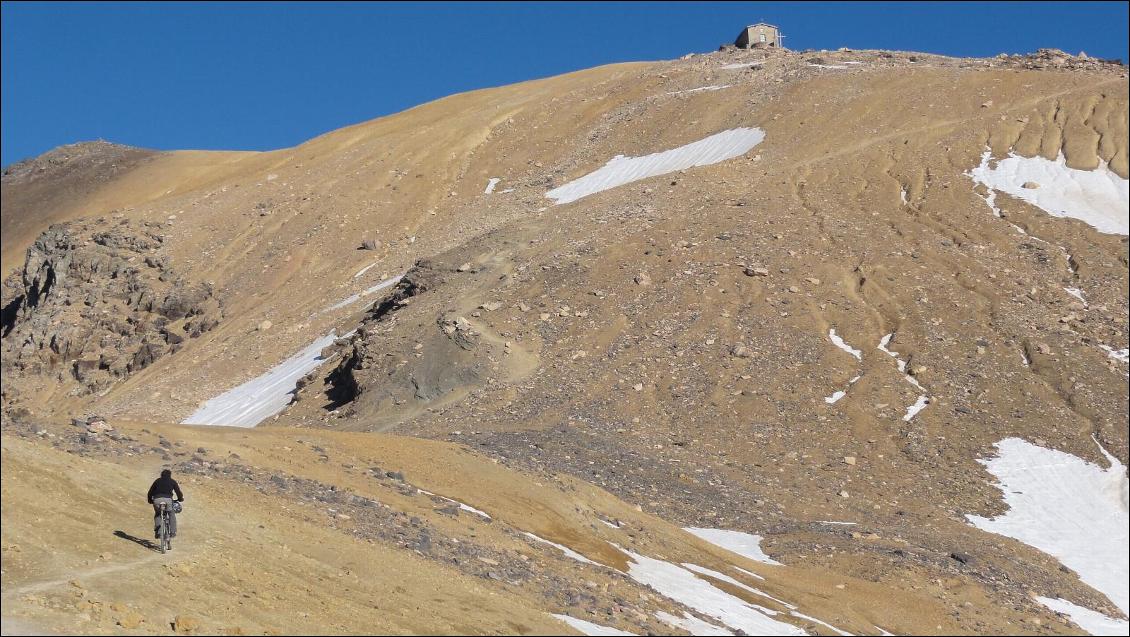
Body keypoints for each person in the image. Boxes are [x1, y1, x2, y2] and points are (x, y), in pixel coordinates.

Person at [147, 469, 184, 543]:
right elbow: (178, 492)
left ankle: (158, 532)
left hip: (157, 499)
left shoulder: (157, 481)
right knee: (171, 513)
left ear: (161, 475)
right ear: (170, 475)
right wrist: (180, 499)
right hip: (168, 500)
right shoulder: (172, 481)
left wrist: (150, 500)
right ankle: (173, 532)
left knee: (158, 514)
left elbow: (150, 492)